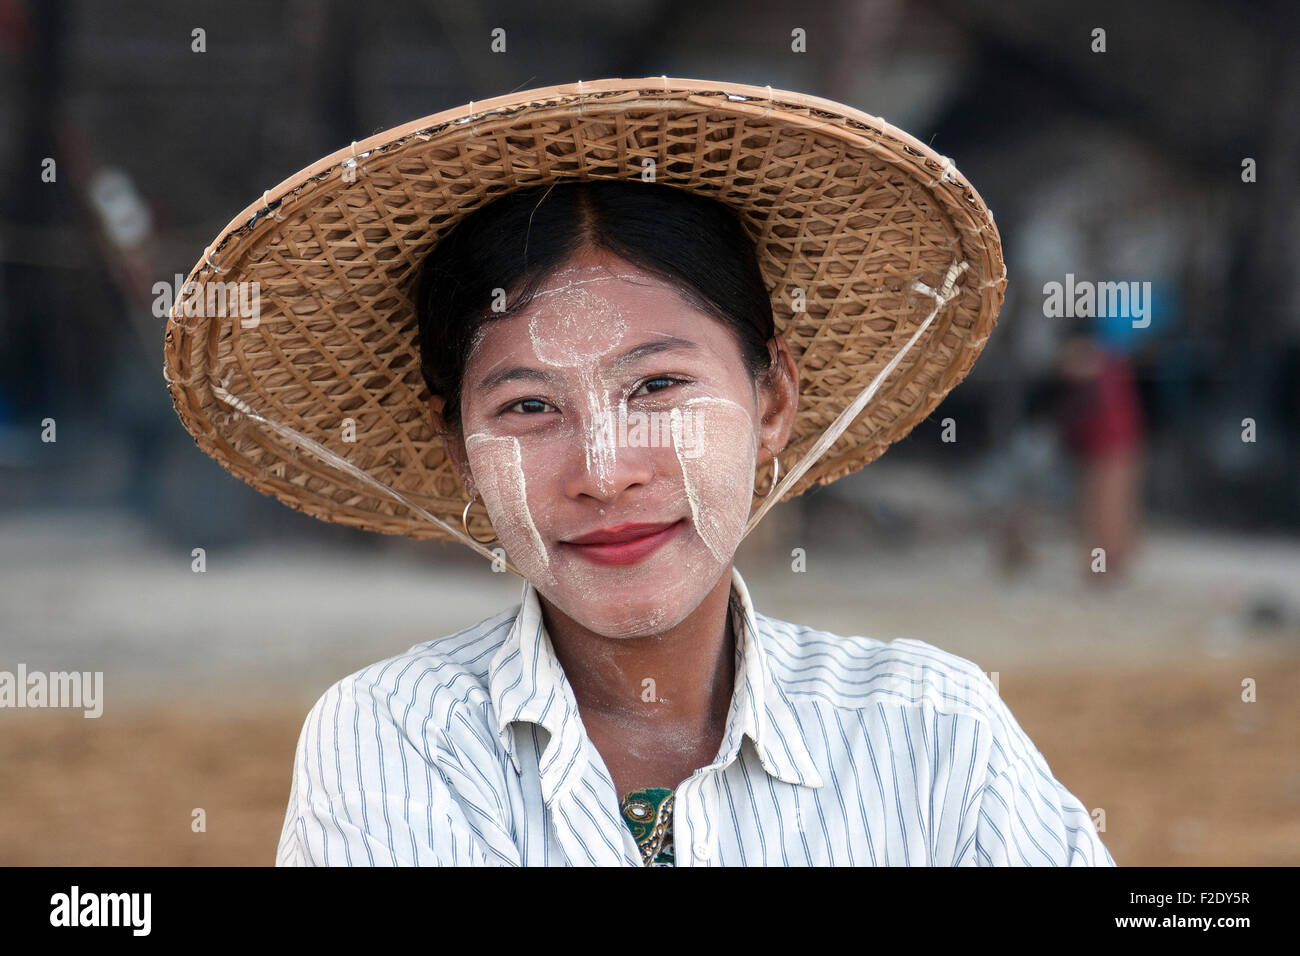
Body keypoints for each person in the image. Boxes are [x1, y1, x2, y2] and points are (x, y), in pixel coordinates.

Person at [163, 77, 1114, 866]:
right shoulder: (394, 740)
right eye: (529, 408)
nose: (603, 473)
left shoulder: (935, 732)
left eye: (658, 385)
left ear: (773, 399)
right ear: (460, 450)